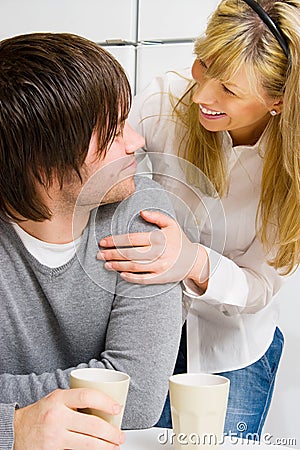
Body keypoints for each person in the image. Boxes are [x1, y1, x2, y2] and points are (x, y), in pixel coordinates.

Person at [97, 0, 300, 438]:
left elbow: (262, 284)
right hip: (140, 333)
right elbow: (98, 171)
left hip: (233, 348)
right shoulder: (163, 100)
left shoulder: (293, 169)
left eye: (228, 88)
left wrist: (193, 261)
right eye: (203, 64)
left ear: (278, 102)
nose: (203, 95)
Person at [0, 32, 183, 450]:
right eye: (114, 130)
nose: (136, 141)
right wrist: (14, 428)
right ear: (46, 163)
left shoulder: (145, 214)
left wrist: (15, 415)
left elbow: (136, 399)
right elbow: (116, 391)